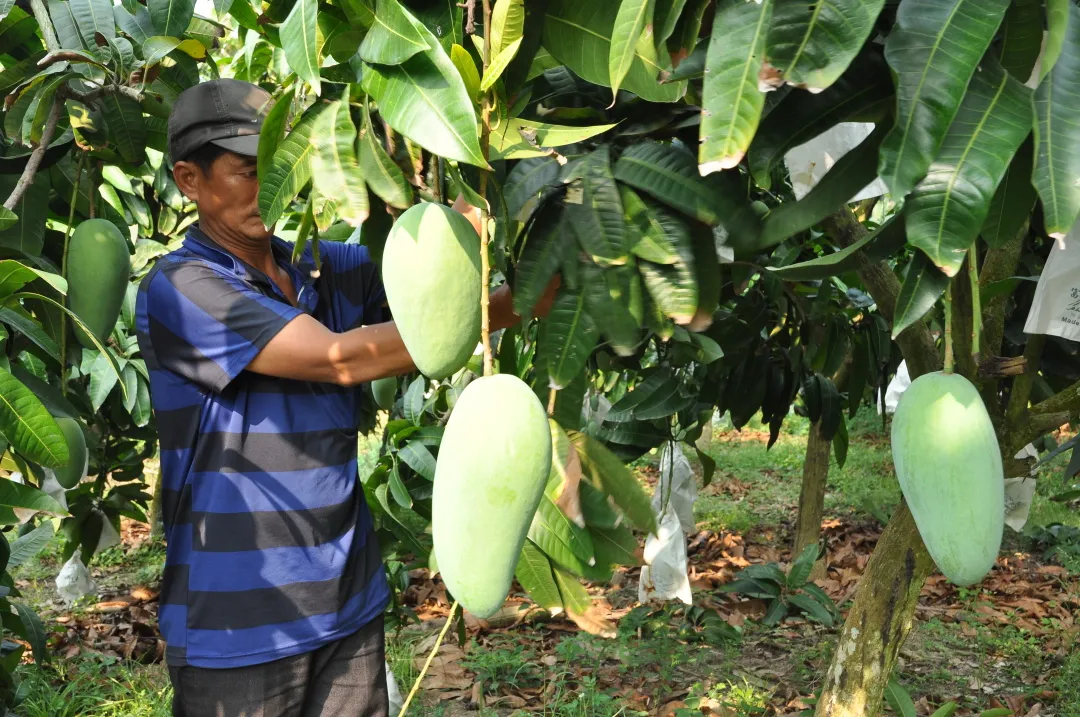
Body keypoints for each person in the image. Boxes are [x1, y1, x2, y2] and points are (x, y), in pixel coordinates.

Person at [135, 78, 556, 717]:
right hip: (240, 623)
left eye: (277, 167)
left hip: (347, 603)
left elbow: (430, 278)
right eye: (247, 172)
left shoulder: (320, 266)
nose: (268, 188)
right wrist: (508, 307)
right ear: (189, 180)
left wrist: (478, 163)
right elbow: (338, 359)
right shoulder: (181, 288)